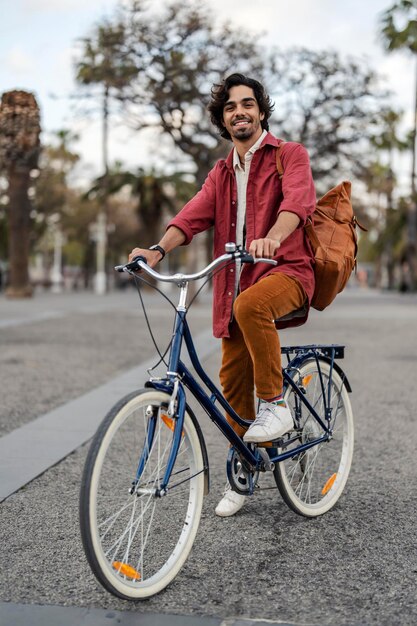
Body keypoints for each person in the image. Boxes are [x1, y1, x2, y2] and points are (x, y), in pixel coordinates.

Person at [129, 73, 316, 517]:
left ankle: (276, 405)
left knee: (251, 305)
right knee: (232, 386)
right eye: (231, 107)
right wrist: (158, 250)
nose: (240, 112)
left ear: (261, 111)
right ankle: (246, 469)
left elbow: (299, 201)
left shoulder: (289, 155)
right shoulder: (222, 171)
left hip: (286, 271)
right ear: (223, 119)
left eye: (247, 104)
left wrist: (272, 237)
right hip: (235, 284)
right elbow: (193, 215)